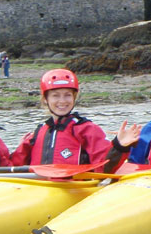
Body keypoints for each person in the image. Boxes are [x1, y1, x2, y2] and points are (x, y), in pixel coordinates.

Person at [10, 69, 141, 173]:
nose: (62, 101)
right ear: (45, 99)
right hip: (39, 188)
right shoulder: (37, 134)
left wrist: (119, 146)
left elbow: (105, 167)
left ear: (74, 98)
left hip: (73, 188)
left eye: (67, 95)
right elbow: (11, 166)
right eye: (55, 95)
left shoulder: (87, 129)